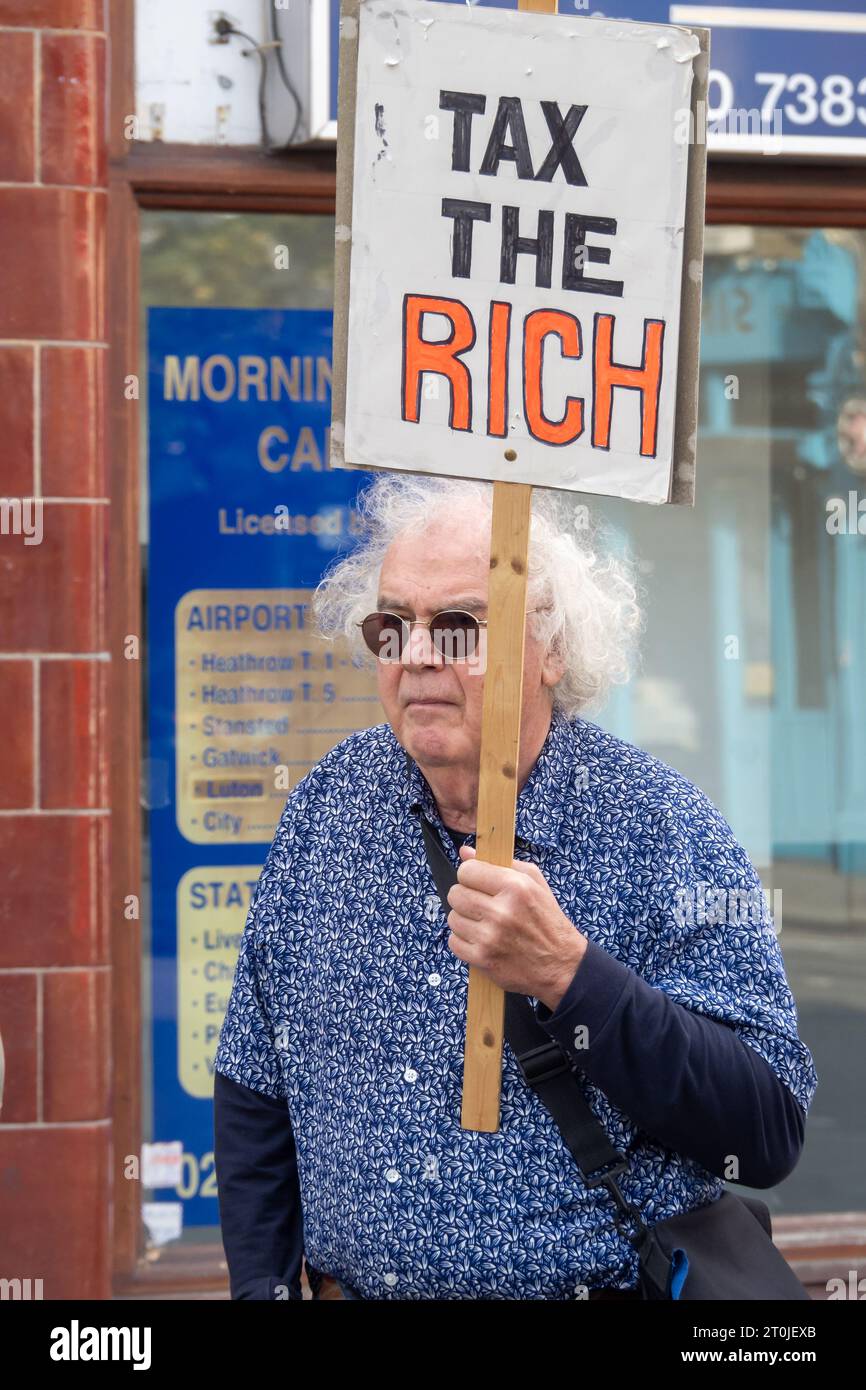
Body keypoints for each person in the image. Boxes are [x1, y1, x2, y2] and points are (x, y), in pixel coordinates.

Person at [212, 473, 817, 1301]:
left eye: (459, 626)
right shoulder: (329, 802)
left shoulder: (659, 825)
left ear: (553, 647)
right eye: (394, 625)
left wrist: (572, 977)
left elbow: (767, 1128)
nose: (417, 653)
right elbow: (255, 1081)